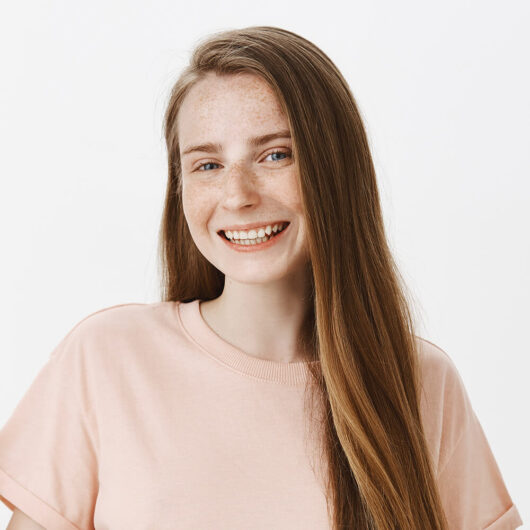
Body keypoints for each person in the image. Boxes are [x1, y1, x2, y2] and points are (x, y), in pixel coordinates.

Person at [0, 25, 523, 530]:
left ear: (334, 170)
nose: (238, 195)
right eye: (207, 165)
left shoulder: (420, 381)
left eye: (275, 155)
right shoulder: (106, 357)